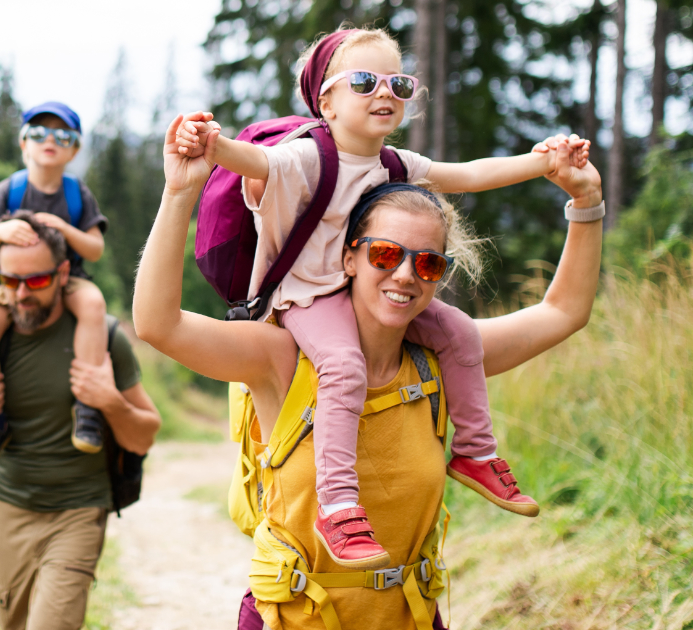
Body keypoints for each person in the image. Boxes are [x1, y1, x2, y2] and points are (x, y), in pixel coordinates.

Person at [135, 111, 603, 628]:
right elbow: (159, 325)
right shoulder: (283, 358)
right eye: (385, 254)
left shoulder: (443, 361)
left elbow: (564, 312)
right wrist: (180, 192)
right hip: (295, 618)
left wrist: (586, 203)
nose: (405, 274)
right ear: (349, 258)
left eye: (428, 263)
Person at [172, 26, 591, 567]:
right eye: (365, 81)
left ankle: (474, 452)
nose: (385, 93)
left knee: (460, 332)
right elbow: (253, 162)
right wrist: (207, 144)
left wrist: (544, 163)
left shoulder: (393, 165)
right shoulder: (305, 157)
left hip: (356, 292)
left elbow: (464, 175)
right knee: (343, 365)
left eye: (399, 82)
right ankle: (339, 504)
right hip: (307, 299)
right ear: (326, 99)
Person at [0, 212, 162, 630]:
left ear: (64, 273)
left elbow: (145, 435)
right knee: (13, 622)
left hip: (79, 510)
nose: (22, 294)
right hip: (9, 506)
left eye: (37, 281)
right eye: (10, 281)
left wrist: (109, 402)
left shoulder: (105, 340)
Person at [0, 101, 114, 470]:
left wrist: (64, 229)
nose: (50, 140)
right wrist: (0, 230)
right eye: (39, 133)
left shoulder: (77, 193)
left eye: (62, 135)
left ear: (74, 149)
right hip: (9, 280)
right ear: (23, 144)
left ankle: (87, 407)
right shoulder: (9, 189)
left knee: (94, 307)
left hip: (67, 277)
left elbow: (94, 248)